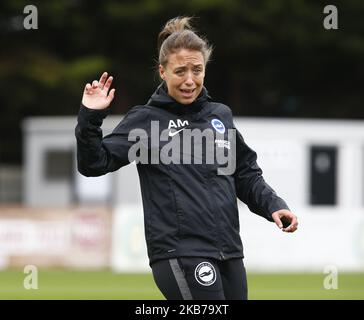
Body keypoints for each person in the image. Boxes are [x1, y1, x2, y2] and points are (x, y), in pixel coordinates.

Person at [75, 16, 298, 300]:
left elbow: (244, 173)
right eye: (180, 71)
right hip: (179, 252)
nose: (190, 80)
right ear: (162, 72)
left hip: (228, 250)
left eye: (197, 70)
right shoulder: (146, 121)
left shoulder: (220, 116)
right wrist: (90, 117)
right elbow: (94, 164)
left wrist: (273, 205)